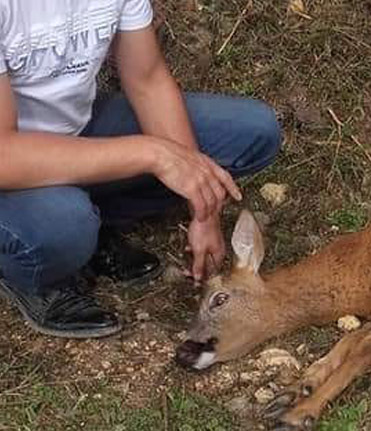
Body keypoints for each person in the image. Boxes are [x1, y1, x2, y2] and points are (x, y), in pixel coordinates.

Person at [0, 0, 281, 338]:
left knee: (250, 131)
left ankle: (88, 219)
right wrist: (154, 154)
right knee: (65, 226)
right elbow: (5, 155)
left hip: (75, 131)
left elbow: (147, 80)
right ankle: (36, 266)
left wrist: (202, 202)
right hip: (10, 161)